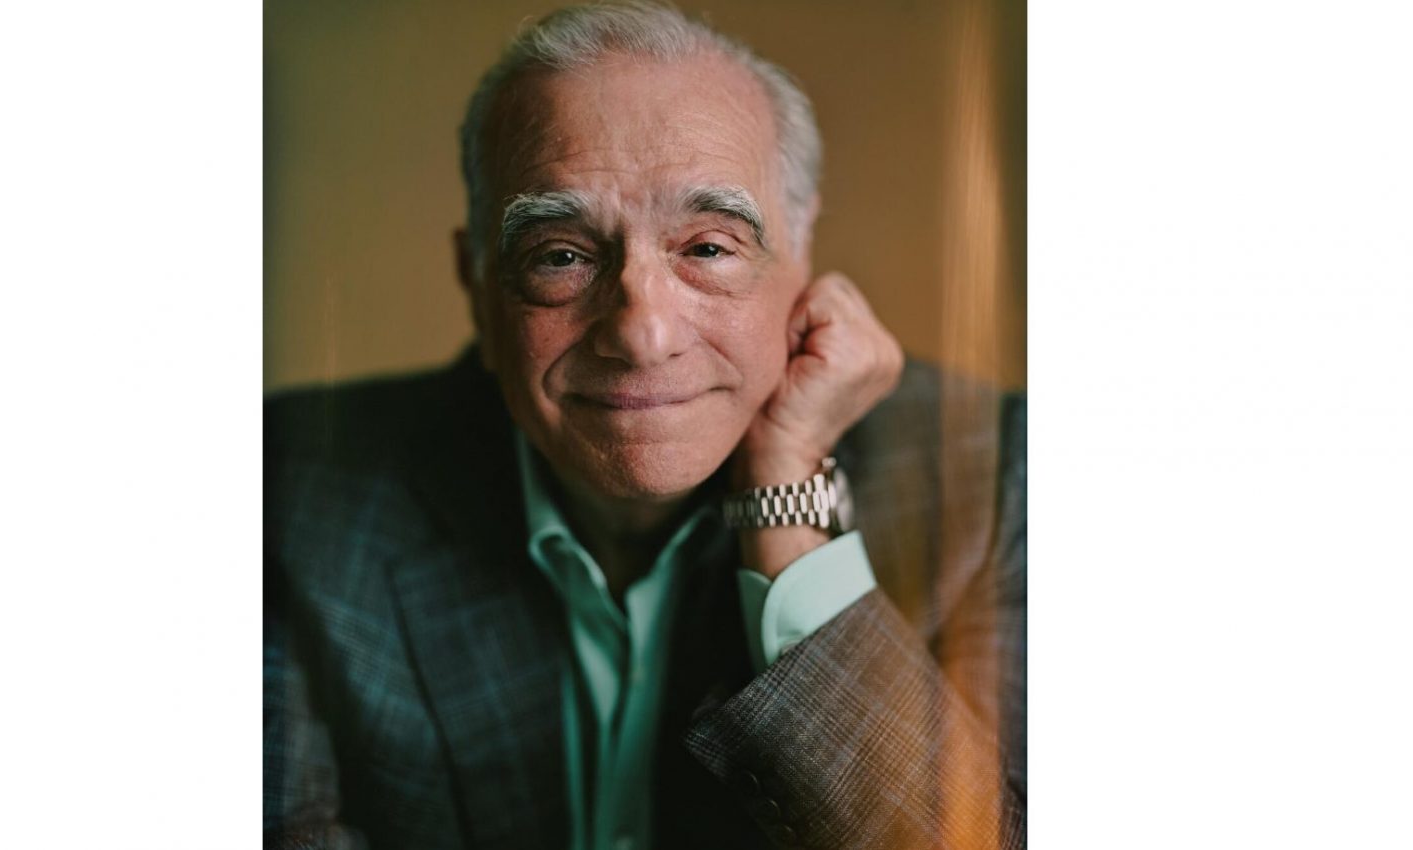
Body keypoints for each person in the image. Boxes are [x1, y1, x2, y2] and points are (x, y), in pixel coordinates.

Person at [264, 3, 1025, 848]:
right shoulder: (283, 492)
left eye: (707, 248)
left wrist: (787, 503)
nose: (642, 333)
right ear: (476, 283)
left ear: (799, 260)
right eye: (561, 255)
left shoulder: (998, 481)